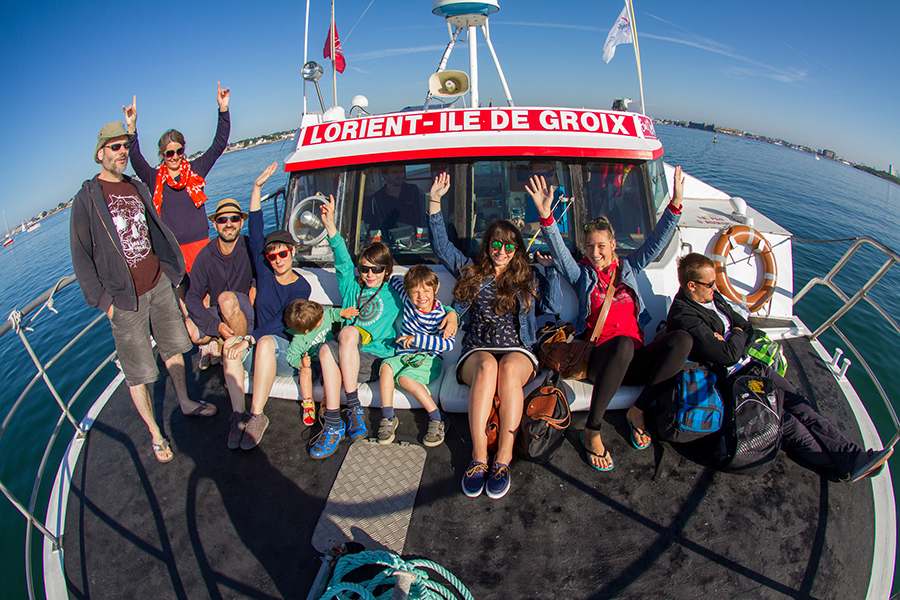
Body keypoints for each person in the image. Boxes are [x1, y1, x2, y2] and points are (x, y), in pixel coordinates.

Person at [661, 252, 893, 482]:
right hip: (733, 381)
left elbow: (746, 326)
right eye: (711, 283)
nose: (716, 287)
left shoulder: (713, 298)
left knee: (802, 406)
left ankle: (853, 457)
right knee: (787, 422)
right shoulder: (685, 316)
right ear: (692, 285)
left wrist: (734, 335)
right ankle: (846, 465)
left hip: (752, 366)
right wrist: (736, 337)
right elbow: (728, 356)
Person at [526, 166, 692, 472]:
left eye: (601, 246)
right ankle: (592, 429)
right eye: (590, 246)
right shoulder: (582, 275)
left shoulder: (628, 268)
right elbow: (560, 253)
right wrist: (546, 217)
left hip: (633, 360)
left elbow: (655, 242)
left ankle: (638, 410)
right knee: (623, 345)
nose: (595, 252)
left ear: (613, 245)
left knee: (682, 340)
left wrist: (675, 205)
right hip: (602, 360)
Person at [70, 121, 217, 464]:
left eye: (125, 146)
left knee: (174, 350)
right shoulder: (87, 198)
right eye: (115, 147)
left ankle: (185, 402)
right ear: (100, 153)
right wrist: (105, 303)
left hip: (158, 285)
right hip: (124, 301)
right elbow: (81, 256)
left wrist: (169, 272)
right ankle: (155, 433)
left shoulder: (135, 186)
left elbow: (154, 229)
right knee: (138, 371)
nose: (122, 152)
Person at [429, 172, 562, 500]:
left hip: (519, 349)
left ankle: (503, 457)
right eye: (496, 244)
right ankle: (479, 457)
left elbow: (553, 307)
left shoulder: (528, 276)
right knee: (489, 367)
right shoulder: (471, 271)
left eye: (509, 245)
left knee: (508, 368)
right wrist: (434, 201)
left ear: (516, 249)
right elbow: (441, 246)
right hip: (477, 350)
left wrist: (551, 270)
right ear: (487, 245)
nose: (502, 251)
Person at [308, 195, 407, 459]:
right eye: (364, 269)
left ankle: (349, 408)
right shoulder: (352, 288)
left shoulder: (393, 293)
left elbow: (425, 299)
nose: (370, 274)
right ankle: (336, 421)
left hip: (374, 360)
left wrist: (451, 314)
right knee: (327, 349)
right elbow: (342, 260)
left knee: (347, 333)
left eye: (377, 269)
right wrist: (330, 225)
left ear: (387, 271)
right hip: (346, 358)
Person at [222, 162, 311, 451]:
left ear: (292, 252)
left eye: (283, 253)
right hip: (258, 347)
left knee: (263, 342)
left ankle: (257, 415)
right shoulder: (265, 272)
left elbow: (283, 322)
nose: (278, 260)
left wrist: (249, 338)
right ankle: (239, 416)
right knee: (229, 346)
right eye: (272, 256)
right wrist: (257, 187)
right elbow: (257, 229)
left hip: (285, 356)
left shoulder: (302, 288)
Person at [123, 83, 231, 274]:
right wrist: (131, 128)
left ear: (183, 150)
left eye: (179, 151)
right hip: (173, 251)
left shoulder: (196, 171)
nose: (174, 157)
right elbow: (136, 159)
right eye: (169, 153)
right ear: (162, 154)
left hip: (201, 247)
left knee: (208, 289)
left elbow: (219, 144)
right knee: (183, 293)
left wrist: (223, 109)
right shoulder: (154, 178)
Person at [377, 266, 457, 447]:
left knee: (404, 379)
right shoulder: (407, 300)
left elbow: (448, 344)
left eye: (427, 291)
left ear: (436, 289)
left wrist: (416, 339)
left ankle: (438, 417)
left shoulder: (440, 316)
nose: (421, 296)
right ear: (408, 292)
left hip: (429, 359)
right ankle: (388, 417)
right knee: (386, 367)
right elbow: (396, 279)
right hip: (404, 356)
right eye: (415, 292)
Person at [184, 198, 256, 370]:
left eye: (234, 219)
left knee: (226, 299)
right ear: (215, 225)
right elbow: (192, 297)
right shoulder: (205, 256)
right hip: (220, 311)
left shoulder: (250, 246)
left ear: (241, 222)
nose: (228, 224)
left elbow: (261, 277)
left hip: (244, 310)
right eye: (222, 220)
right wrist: (215, 326)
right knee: (190, 329)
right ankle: (219, 339)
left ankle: (239, 354)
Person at [284, 300, 359, 426]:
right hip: (312, 362)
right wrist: (301, 363)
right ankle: (308, 403)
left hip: (327, 360)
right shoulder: (299, 340)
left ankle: (326, 401)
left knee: (328, 373)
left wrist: (343, 313)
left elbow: (331, 313)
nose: (323, 318)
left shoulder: (322, 316)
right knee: (305, 371)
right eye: (319, 319)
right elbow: (291, 356)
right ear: (307, 330)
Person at [362, 165, 424, 245]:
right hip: (387, 247)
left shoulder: (414, 191)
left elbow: (424, 218)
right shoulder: (376, 199)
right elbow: (369, 229)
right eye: (395, 172)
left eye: (401, 171)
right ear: (385, 175)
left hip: (416, 246)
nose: (400, 175)